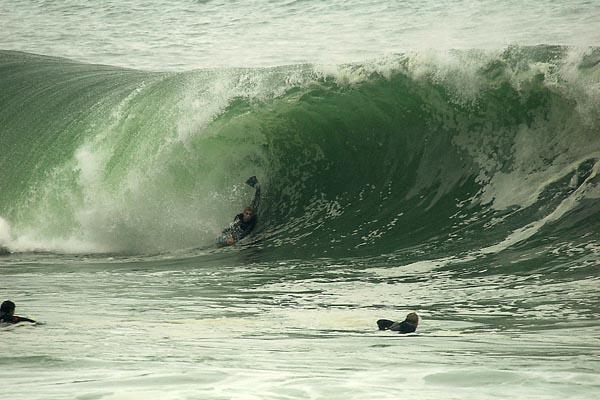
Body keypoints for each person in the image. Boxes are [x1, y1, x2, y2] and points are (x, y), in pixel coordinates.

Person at [217, 176, 261, 246]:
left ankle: (257, 185)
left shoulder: (253, 220)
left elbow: (247, 231)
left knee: (256, 200)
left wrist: (236, 239)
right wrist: (226, 233)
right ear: (243, 214)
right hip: (241, 226)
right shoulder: (239, 216)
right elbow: (233, 226)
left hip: (253, 212)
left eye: (250, 214)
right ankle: (254, 184)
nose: (248, 216)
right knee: (253, 203)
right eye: (246, 214)